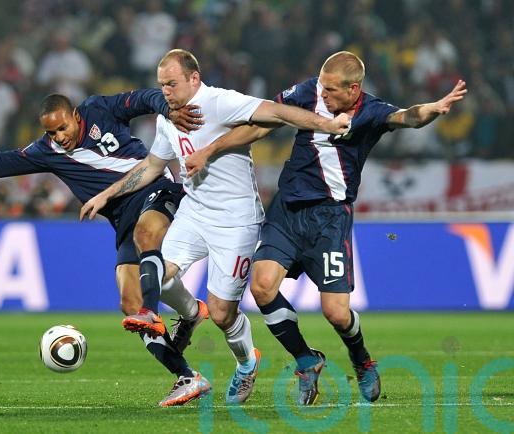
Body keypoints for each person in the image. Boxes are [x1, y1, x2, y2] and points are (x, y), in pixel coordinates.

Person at [185, 51, 467, 405]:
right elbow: (261, 122)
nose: (324, 95)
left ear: (353, 89)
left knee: (335, 312)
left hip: (330, 219)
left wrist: (434, 109)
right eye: (322, 87)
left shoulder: (371, 111)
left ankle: (361, 359)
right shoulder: (306, 93)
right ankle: (306, 361)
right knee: (262, 287)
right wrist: (210, 149)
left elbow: (408, 117)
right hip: (287, 211)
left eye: (332, 90)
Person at [81, 49, 350, 405]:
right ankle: (190, 314)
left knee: (223, 314)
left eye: (171, 84)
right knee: (154, 272)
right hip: (193, 213)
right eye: (161, 85)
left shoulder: (220, 102)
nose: (165, 92)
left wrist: (326, 125)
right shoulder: (167, 118)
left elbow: (276, 112)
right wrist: (107, 194)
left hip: (236, 221)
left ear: (194, 78)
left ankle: (246, 363)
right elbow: (151, 166)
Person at [0, 89, 213, 407]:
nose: (59, 136)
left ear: (76, 116)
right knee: (129, 303)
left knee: (147, 238)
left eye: (62, 128)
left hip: (156, 189)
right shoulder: (46, 151)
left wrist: (168, 109)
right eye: (51, 132)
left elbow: (144, 98)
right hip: (124, 220)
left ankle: (155, 311)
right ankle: (187, 375)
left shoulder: (100, 109)